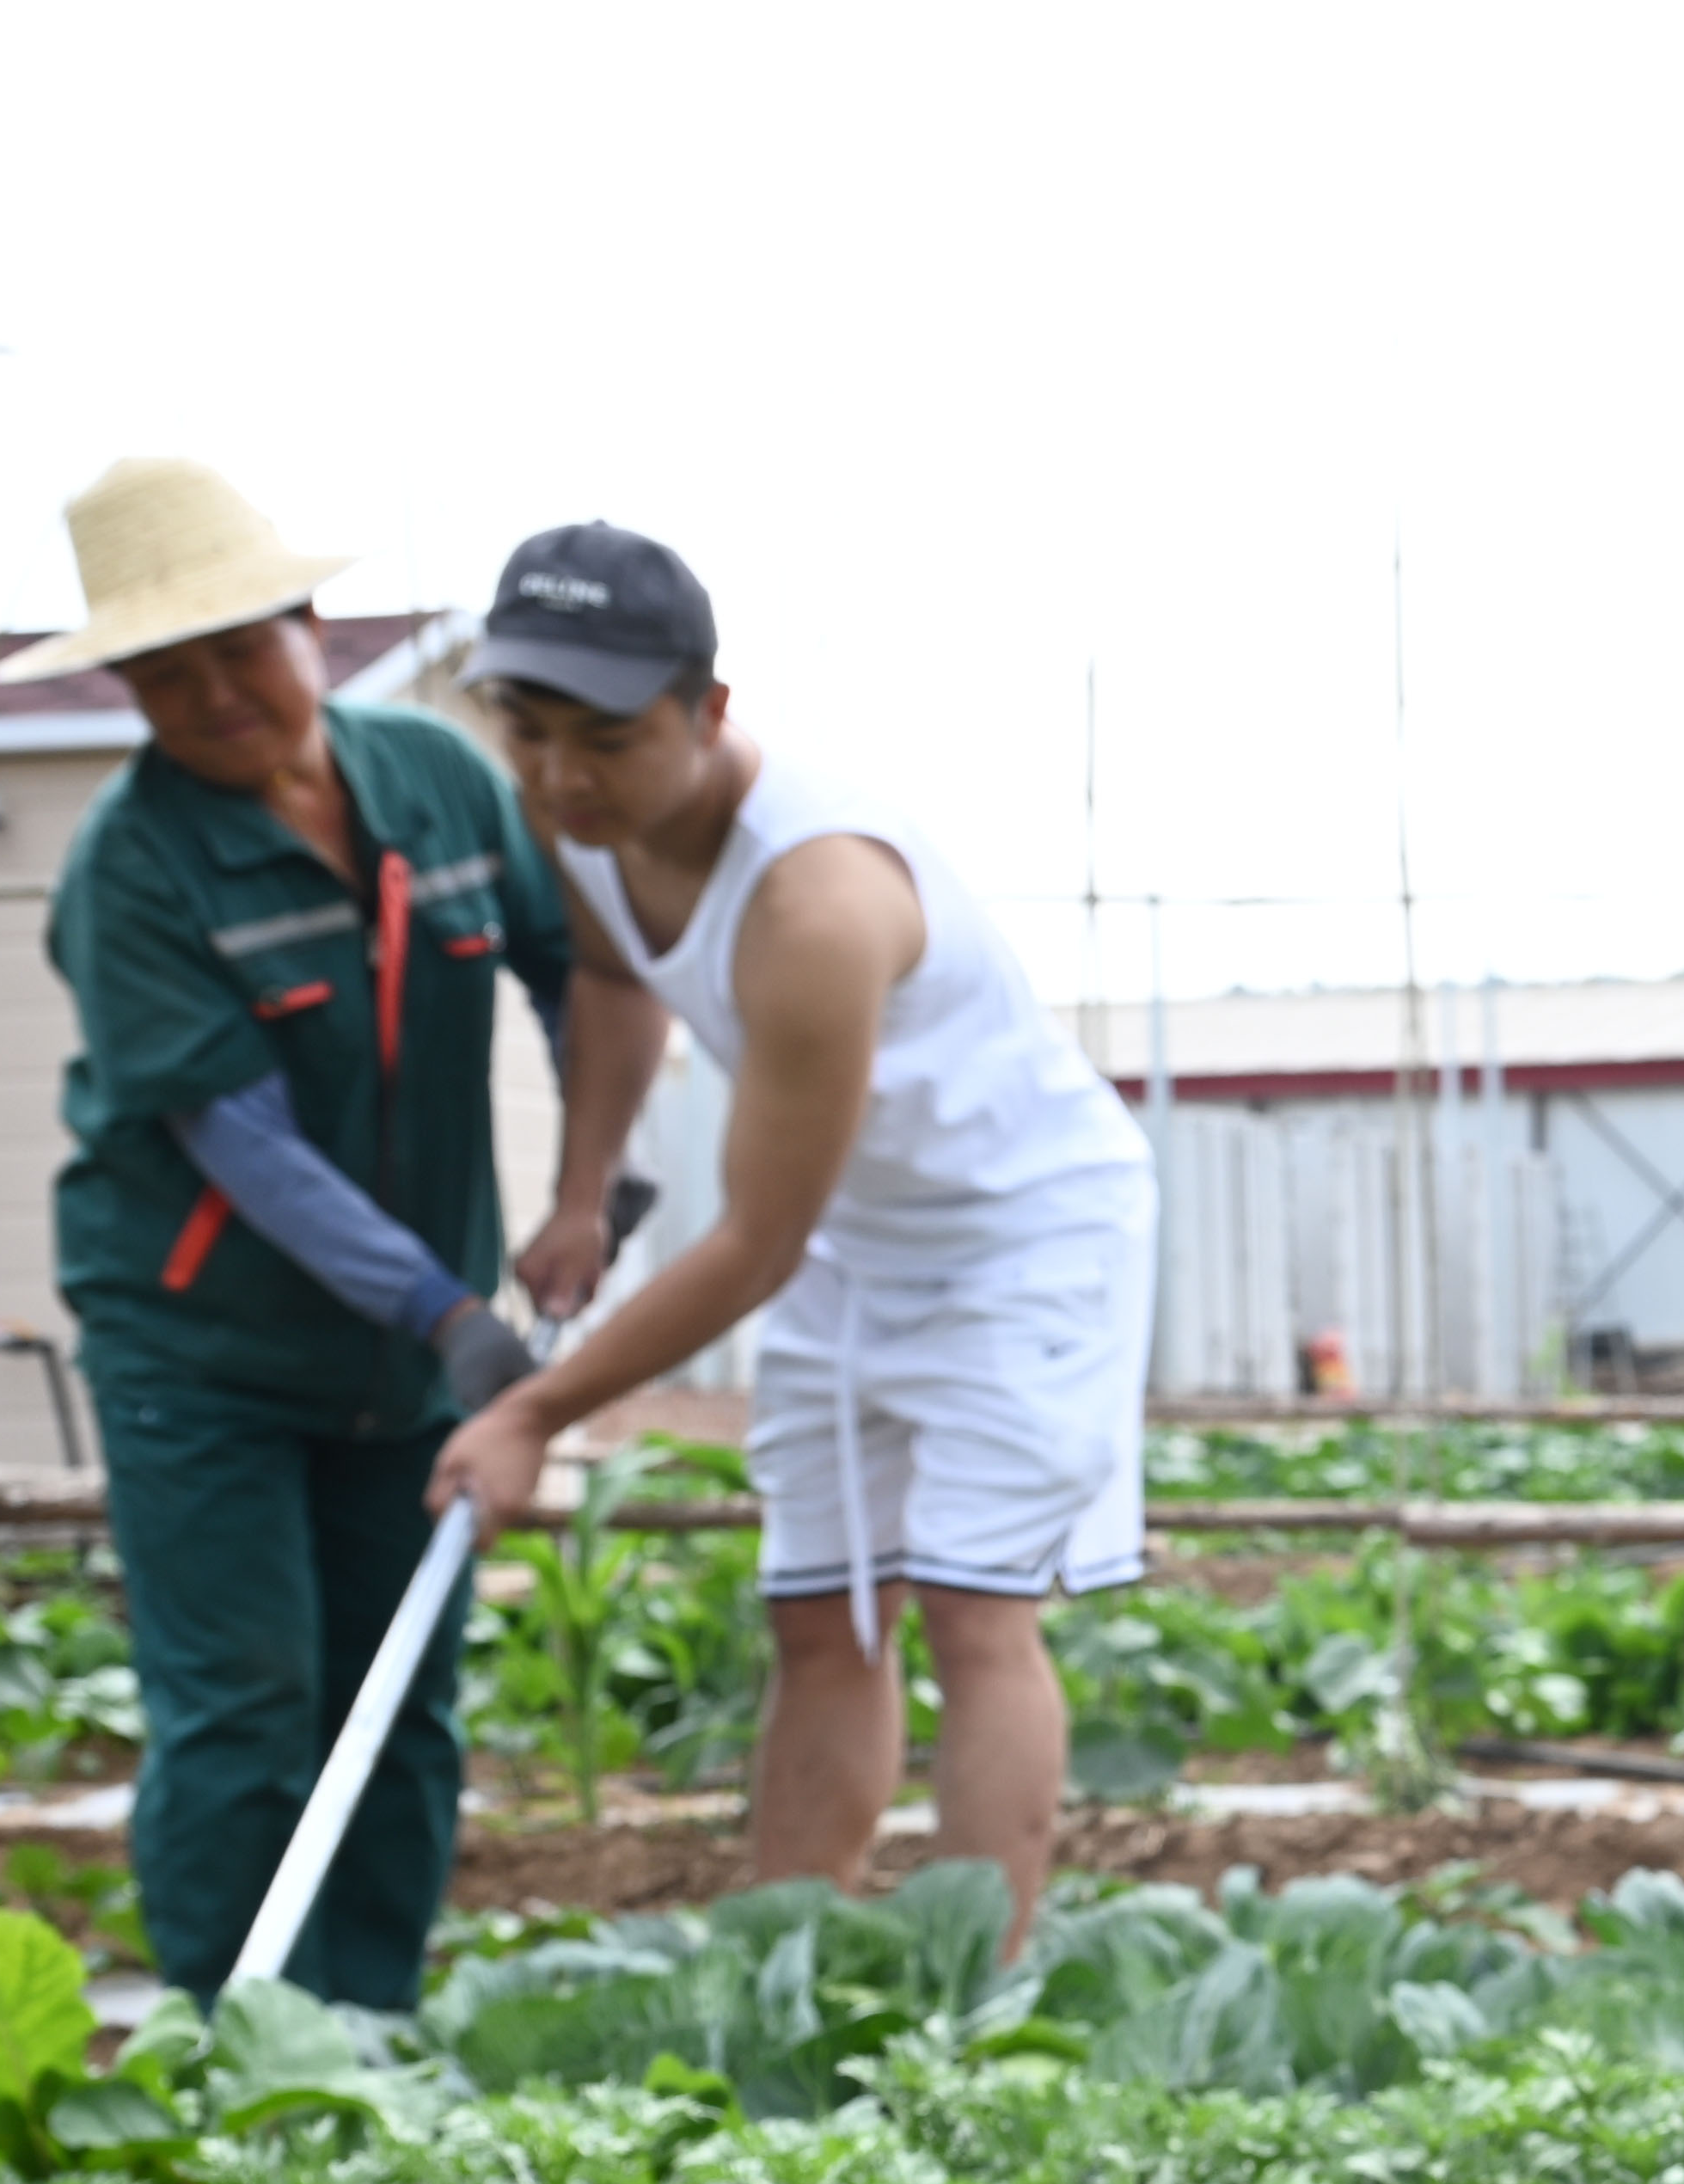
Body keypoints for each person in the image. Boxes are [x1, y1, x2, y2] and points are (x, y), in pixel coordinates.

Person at [433, 523, 1155, 1940]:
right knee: (823, 1613)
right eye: (527, 733)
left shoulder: (817, 900)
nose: (563, 775)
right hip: (856, 1237)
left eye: (607, 738)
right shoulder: (573, 817)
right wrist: (585, 1189)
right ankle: (781, 1967)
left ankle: (971, 2001)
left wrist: (536, 1410)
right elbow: (608, 975)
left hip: (1021, 1234)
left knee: (967, 1607)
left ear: (707, 711)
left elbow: (755, 1242)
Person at [9, 457, 570, 2009]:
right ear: (124, 684)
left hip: (407, 1354)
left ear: (309, 626)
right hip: (205, 1353)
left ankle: (368, 2040)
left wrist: (588, 1185)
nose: (214, 694)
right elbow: (241, 1142)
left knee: (404, 1702)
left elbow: (571, 963)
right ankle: (237, 2046)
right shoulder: (135, 869)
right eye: (167, 672)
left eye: (240, 647)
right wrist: (449, 1308)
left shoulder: (439, 782)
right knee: (245, 1708)